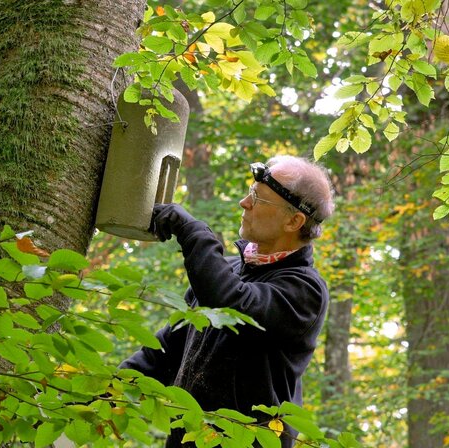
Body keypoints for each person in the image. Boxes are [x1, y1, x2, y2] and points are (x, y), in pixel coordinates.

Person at [120, 155, 335, 447]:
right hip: (190, 439)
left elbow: (229, 304)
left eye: (258, 199)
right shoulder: (231, 271)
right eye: (250, 193)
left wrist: (192, 232)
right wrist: (108, 389)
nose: (243, 203)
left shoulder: (305, 290)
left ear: (294, 221)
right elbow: (166, 351)